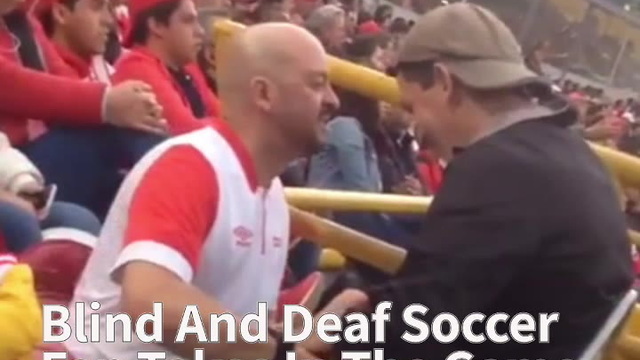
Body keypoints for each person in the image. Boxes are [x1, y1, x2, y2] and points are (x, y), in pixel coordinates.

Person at [341, 4, 634, 359]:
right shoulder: (574, 156)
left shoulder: (496, 170)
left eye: (413, 106)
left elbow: (416, 327)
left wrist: (324, 337)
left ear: (444, 82)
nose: (417, 127)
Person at [65, 23, 366, 359]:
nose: (333, 100)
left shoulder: (273, 195)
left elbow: (241, 334)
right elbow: (150, 301)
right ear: (264, 94)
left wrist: (301, 340)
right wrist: (281, 353)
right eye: (317, 84)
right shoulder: (191, 165)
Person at [113, 0, 221, 136]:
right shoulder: (135, 67)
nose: (200, 31)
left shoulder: (187, 66)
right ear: (156, 26)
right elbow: (188, 133)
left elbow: (225, 117)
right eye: (188, 21)